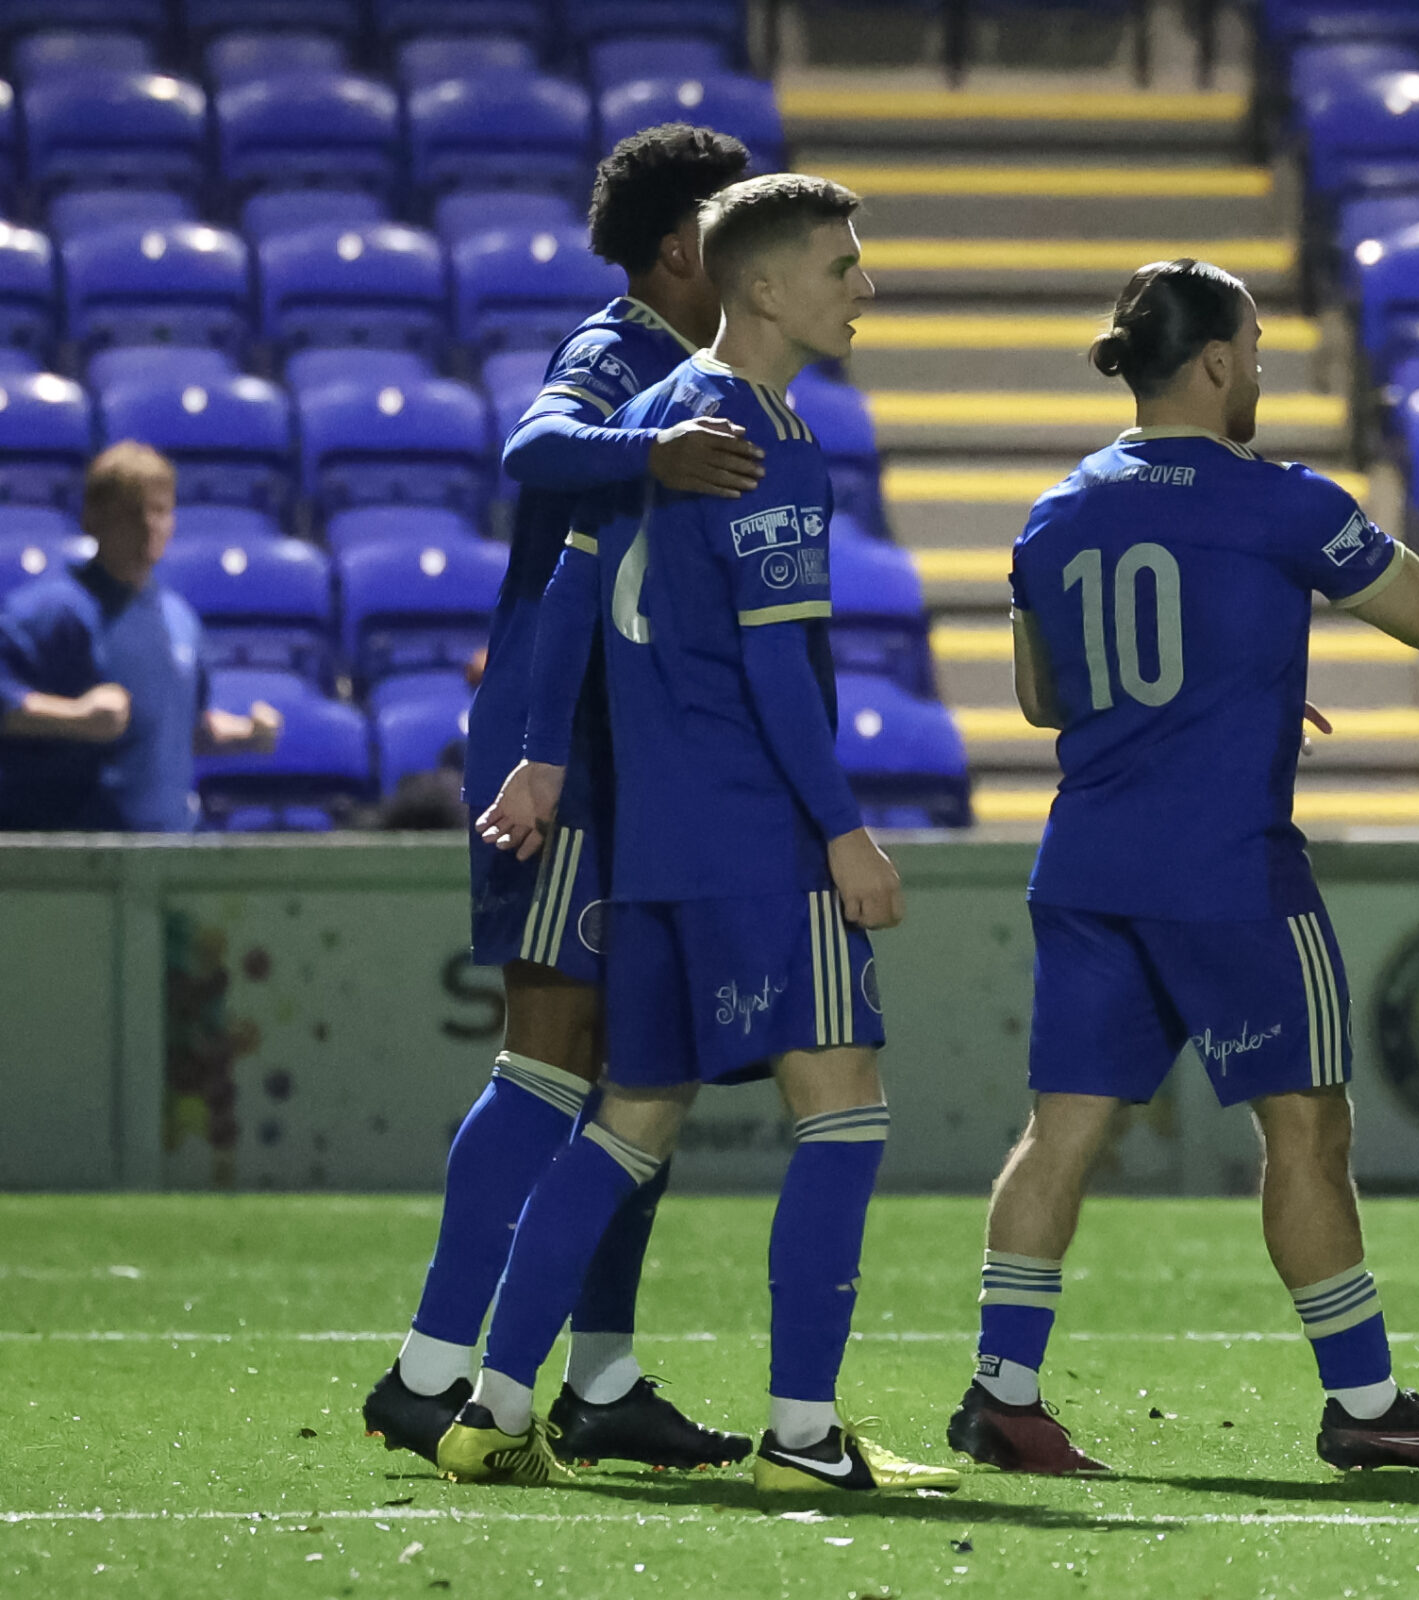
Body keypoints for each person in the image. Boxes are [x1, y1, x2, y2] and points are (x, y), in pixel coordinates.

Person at [943, 258, 1419, 1479]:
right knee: (1305, 1126)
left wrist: (1226, 684)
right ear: (1213, 363)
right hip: (1228, 870)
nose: (1258, 368)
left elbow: (1048, 698)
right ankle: (1364, 1401)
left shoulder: (1054, 512)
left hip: (1089, 861)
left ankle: (1004, 1392)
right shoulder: (1280, 502)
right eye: (1251, 347)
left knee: (1060, 1132)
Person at [463, 172, 956, 1496]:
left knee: (631, 1118)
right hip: (757, 832)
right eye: (845, 264)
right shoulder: (758, 436)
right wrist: (844, 833)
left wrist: (545, 759)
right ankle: (803, 1435)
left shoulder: (645, 423)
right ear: (765, 286)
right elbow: (777, 672)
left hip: (654, 848)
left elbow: (568, 592)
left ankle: (492, 1405)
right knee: (842, 1109)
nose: (868, 286)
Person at [361, 123, 763, 1472]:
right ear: (676, 248)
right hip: (567, 757)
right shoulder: (614, 353)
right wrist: (649, 453)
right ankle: (425, 1371)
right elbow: (536, 448)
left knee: (636, 1074)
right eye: (735, 227)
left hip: (644, 765)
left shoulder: (713, 371)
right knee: (547, 1061)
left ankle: (602, 1378)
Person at [0, 442, 278, 830]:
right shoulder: (48, 612)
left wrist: (247, 735)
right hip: (75, 865)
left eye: (160, 510)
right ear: (92, 519)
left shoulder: (178, 618)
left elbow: (184, 729)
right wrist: (74, 718)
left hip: (168, 860)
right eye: (132, 512)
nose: (149, 525)